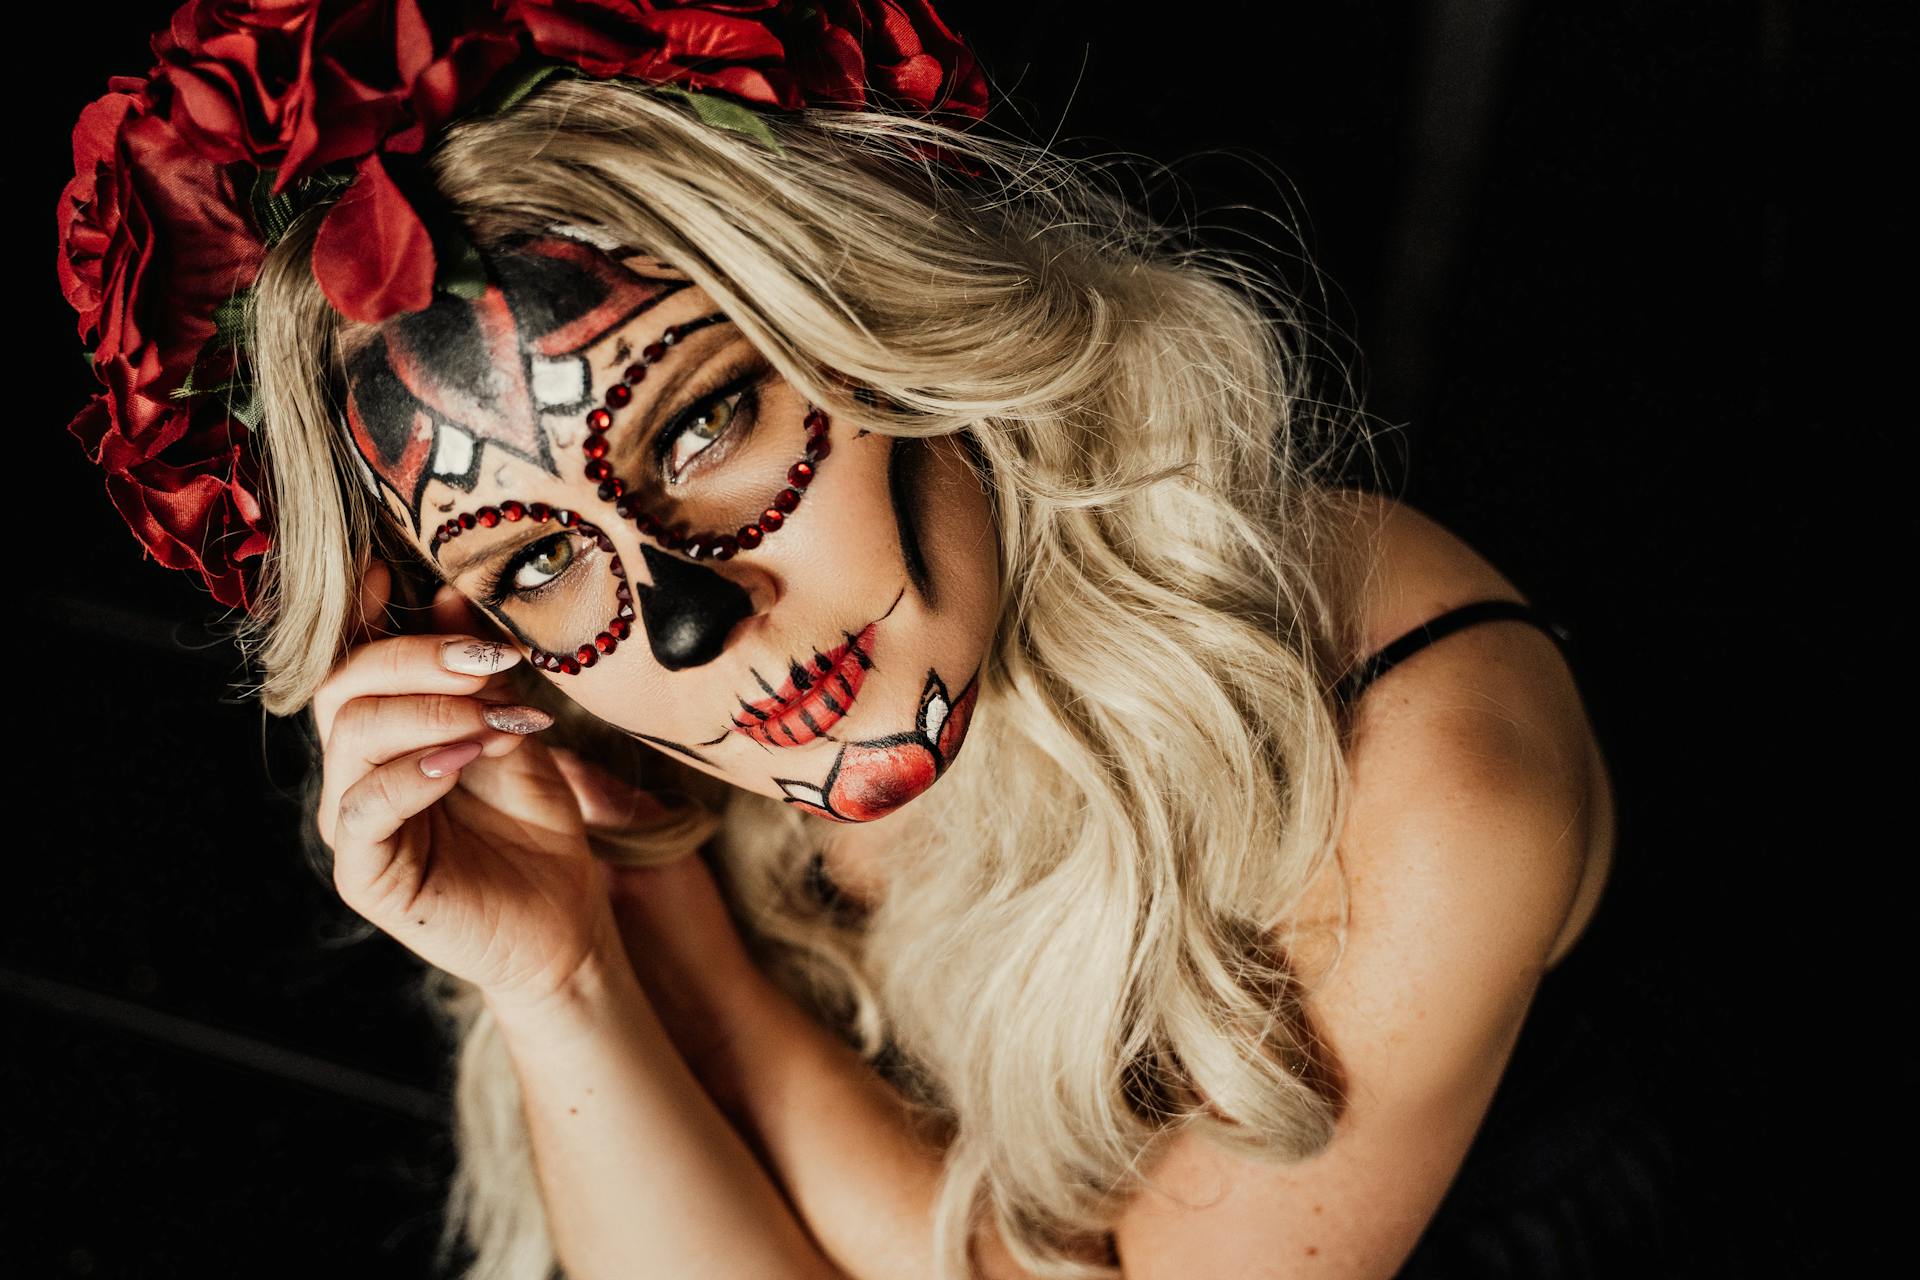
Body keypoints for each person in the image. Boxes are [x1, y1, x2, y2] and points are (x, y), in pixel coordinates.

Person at [55, 3, 1684, 1276]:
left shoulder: (1426, 756)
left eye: (700, 429)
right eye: (535, 559)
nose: (689, 622)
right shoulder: (598, 726)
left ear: (888, 316)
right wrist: (562, 977)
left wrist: (669, 938)